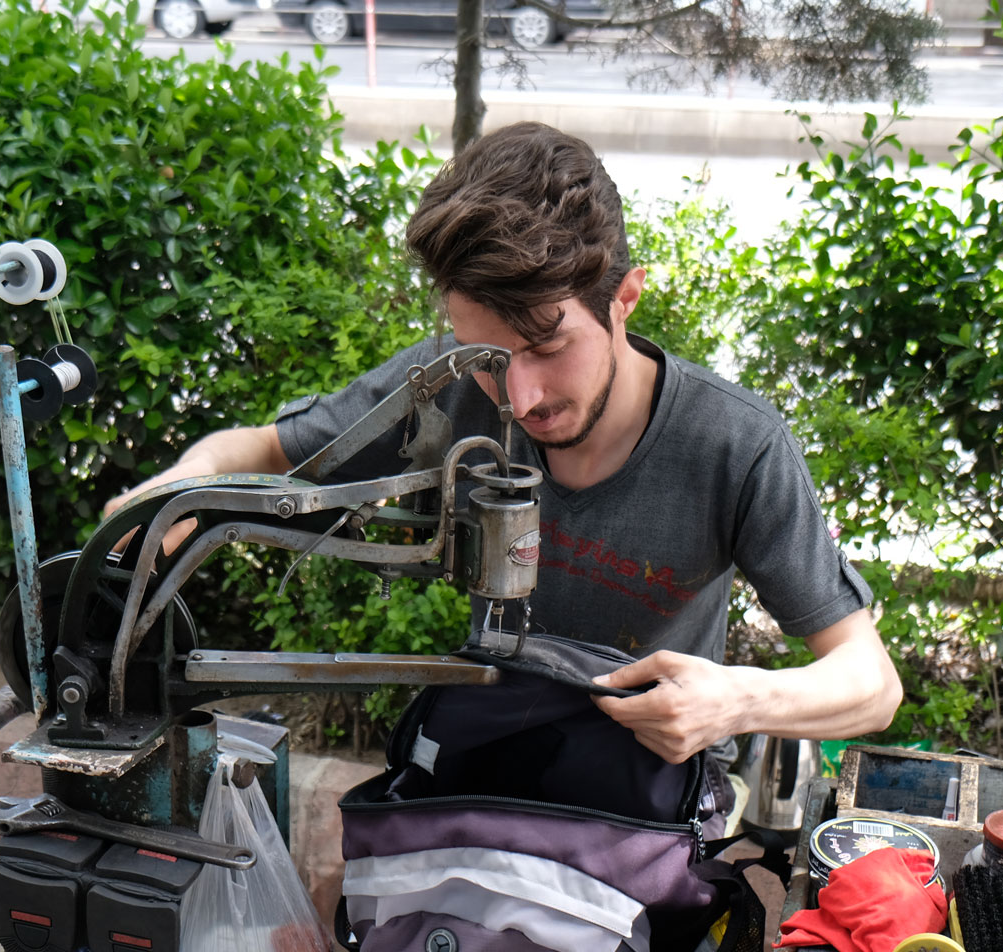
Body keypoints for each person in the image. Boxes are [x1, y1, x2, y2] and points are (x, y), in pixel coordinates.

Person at [105, 121, 903, 764]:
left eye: (549, 346)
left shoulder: (736, 446)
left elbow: (870, 683)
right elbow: (259, 451)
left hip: (646, 786)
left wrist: (735, 700)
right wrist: (179, 488)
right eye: (488, 358)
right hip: (491, 750)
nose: (516, 399)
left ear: (623, 299)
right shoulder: (444, 383)